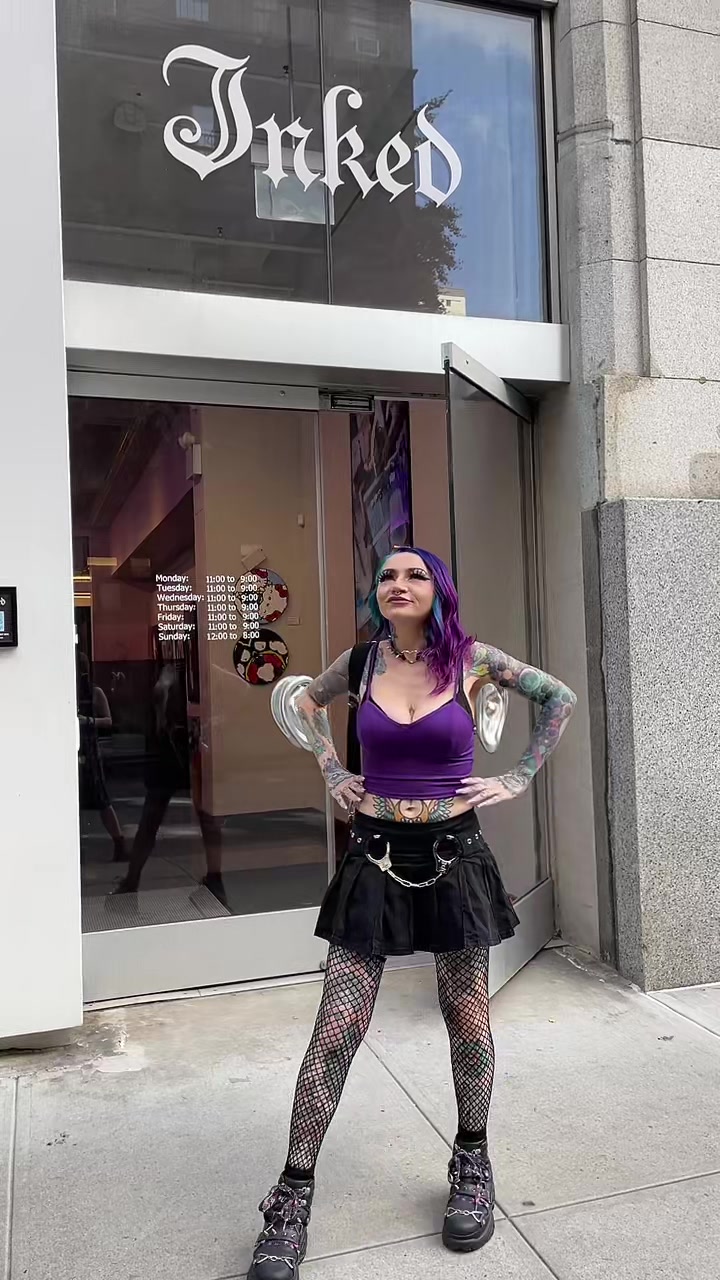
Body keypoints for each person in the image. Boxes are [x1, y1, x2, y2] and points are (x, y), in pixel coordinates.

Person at [248, 548, 576, 1278]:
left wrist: (518, 777)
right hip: (373, 855)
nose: (398, 584)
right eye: (388, 576)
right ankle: (291, 1198)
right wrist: (332, 769)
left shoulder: (473, 660)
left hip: (457, 854)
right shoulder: (360, 663)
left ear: (439, 589)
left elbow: (559, 697)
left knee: (467, 1018)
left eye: (415, 575)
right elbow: (303, 703)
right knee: (337, 1027)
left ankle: (472, 1162)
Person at [76, 650, 126, 861]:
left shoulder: (95, 692)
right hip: (77, 748)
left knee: (101, 798)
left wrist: (87, 721)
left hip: (89, 749)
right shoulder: (70, 691)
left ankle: (119, 842)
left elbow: (108, 721)